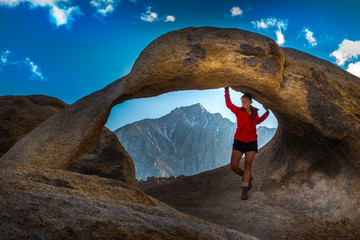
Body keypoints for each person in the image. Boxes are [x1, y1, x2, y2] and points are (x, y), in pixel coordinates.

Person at [224, 87, 270, 200]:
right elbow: (229, 104)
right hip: (239, 141)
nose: (243, 103)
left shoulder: (255, 113)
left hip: (251, 142)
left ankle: (245, 189)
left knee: (248, 164)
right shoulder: (239, 111)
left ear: (250, 102)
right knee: (233, 166)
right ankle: (246, 177)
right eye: (242, 101)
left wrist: (267, 113)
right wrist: (226, 91)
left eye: (245, 101)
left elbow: (257, 122)